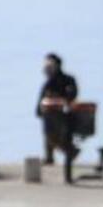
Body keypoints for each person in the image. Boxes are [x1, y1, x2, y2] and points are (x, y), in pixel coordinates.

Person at [35, 53, 79, 181]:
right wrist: (39, 109)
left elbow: (73, 93)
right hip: (49, 113)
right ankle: (50, 156)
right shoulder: (49, 81)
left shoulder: (67, 79)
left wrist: (65, 100)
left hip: (64, 114)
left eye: (50, 66)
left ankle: (68, 154)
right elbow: (42, 97)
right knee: (48, 134)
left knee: (60, 137)